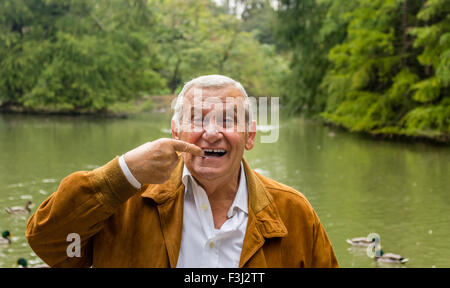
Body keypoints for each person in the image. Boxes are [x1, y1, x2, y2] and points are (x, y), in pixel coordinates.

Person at [26, 74, 338, 268]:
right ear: (175, 132)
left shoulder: (293, 213)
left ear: (250, 135)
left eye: (227, 119)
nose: (212, 133)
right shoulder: (125, 202)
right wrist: (123, 174)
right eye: (198, 119)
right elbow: (47, 243)